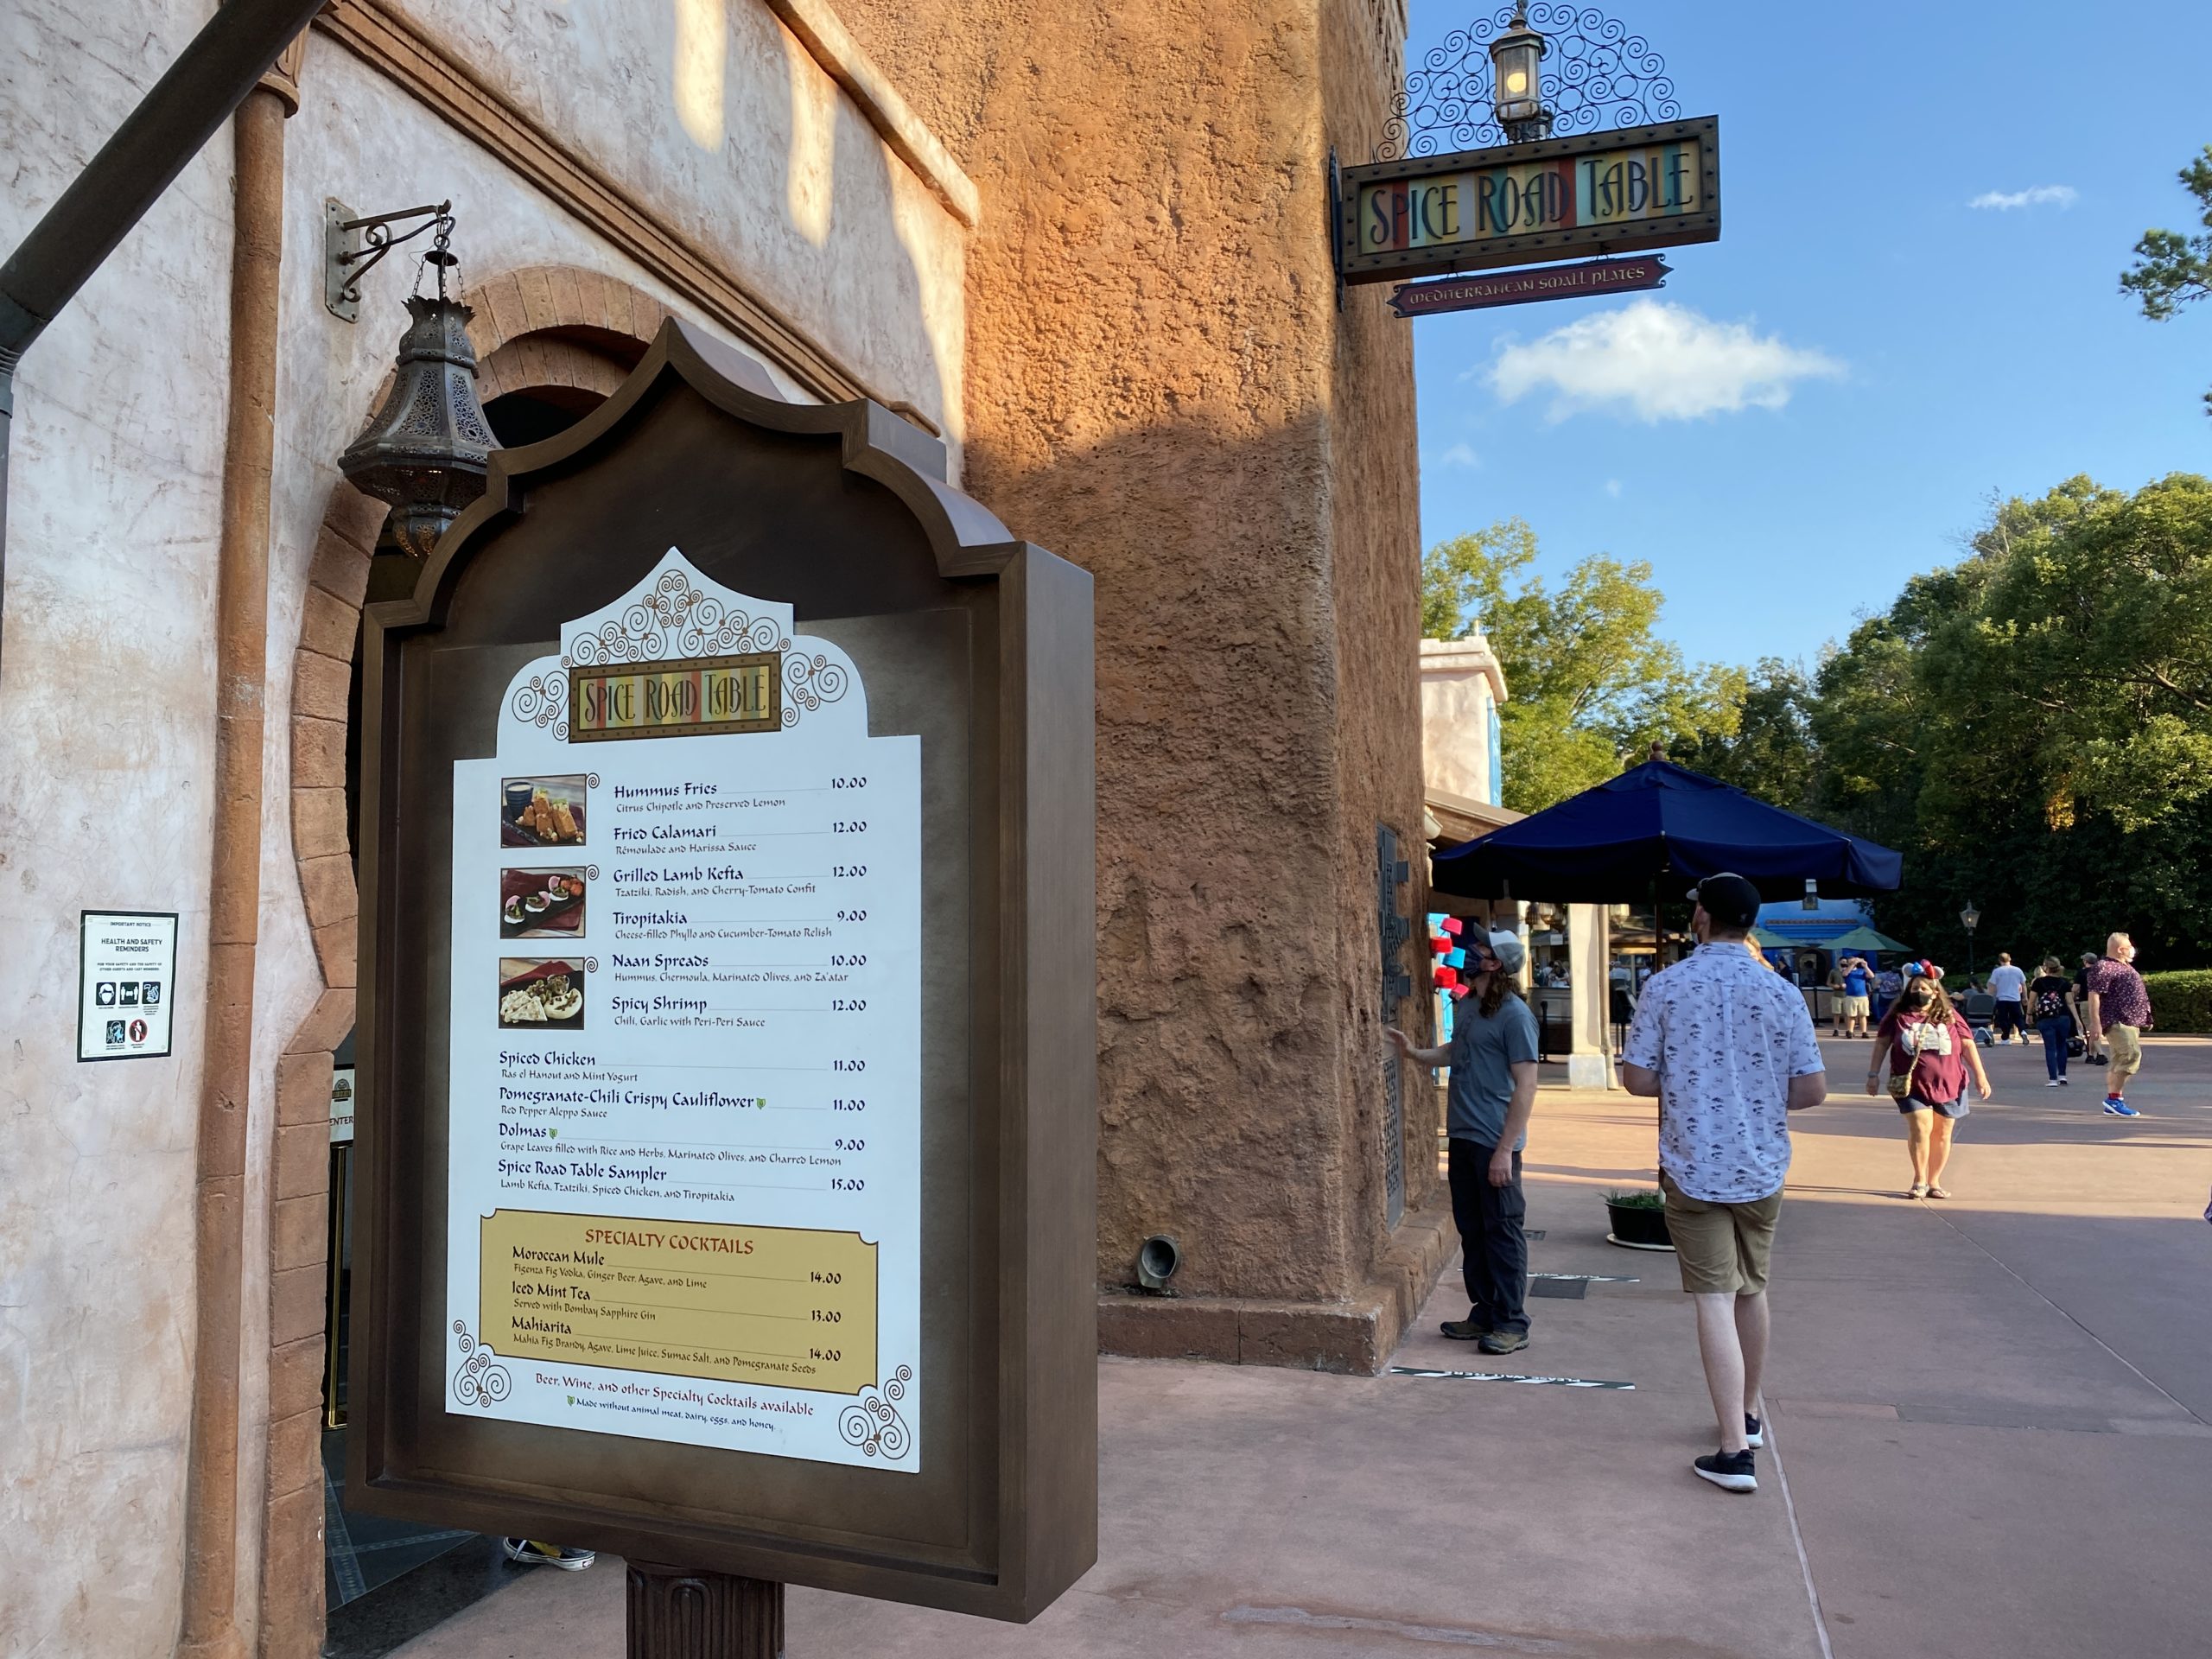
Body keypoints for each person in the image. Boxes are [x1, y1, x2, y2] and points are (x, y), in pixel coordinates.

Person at [1621, 874, 1827, 1496]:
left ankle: (1734, 1451)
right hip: (1762, 1164)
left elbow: (1637, 1080)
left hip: (1694, 1165)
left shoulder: (1666, 987)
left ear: (1702, 917)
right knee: (1751, 1287)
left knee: (1712, 1296)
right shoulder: (1780, 991)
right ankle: (1750, 1412)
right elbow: (1811, 1090)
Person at [1388, 931, 1540, 1356]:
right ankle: (1485, 1311)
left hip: (1495, 1142)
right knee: (1472, 1229)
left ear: (1495, 965)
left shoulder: (1516, 1016)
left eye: (1482, 951)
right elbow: (1459, 1051)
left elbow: (1527, 1085)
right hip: (1463, 1137)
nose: (1472, 953)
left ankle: (1512, 1322)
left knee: (1503, 1232)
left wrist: (1506, 1150)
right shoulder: (1471, 1006)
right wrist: (1415, 1054)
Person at [1869, 973, 1990, 1198]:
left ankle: (1934, 1181)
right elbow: (1882, 1044)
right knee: (1921, 1128)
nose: (1919, 992)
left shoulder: (1950, 1015)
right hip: (1911, 1084)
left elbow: (1967, 1045)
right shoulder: (1898, 1015)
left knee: (1943, 1133)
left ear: (1935, 993)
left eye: (1925, 988)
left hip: (1951, 1082)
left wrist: (1980, 1076)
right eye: (1915, 988)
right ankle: (1919, 1179)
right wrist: (1873, 1074)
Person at [2083, 933, 2153, 1116]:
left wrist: (2146, 1015)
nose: (2132, 949)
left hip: (2129, 1020)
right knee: (2130, 1055)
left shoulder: (2125, 967)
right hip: (2117, 1020)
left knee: (2119, 1060)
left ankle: (2113, 1099)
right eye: (2128, 946)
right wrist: (2095, 1023)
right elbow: (2094, 995)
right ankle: (2114, 1100)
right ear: (2120, 949)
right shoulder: (2104, 967)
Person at [2029, 957, 2075, 1087]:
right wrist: (2077, 1019)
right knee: (2061, 1046)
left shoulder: (2038, 982)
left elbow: (2032, 1001)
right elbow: (2070, 1002)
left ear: (2045, 967)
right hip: (2063, 1017)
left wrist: (2029, 1014)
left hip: (2046, 1018)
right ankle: (2063, 1076)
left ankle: (2053, 1079)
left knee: (2050, 1048)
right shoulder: (2064, 982)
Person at [1986, 952, 2028, 1044]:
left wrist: (1990, 996)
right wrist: (2025, 997)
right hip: (2015, 998)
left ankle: (2006, 1037)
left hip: (2002, 999)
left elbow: (1992, 986)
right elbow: (2023, 984)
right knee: (2018, 1017)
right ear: (2010, 959)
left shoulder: (1997, 971)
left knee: (2003, 1019)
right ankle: (2022, 1031)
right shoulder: (2018, 970)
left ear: (2000, 960)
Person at [2069, 952, 2102, 1065]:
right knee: (2096, 1028)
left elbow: (2075, 988)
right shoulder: (2100, 972)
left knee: (2089, 1029)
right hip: (2100, 1002)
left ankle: (2100, 1053)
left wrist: (2071, 999)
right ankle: (2091, 1054)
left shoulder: (2082, 973)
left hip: (2086, 1001)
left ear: (2085, 961)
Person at [1838, 956, 1872, 1039]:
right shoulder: (1846, 971)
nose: (1853, 962)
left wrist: (1866, 966)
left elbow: (1871, 976)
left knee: (1863, 1015)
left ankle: (1864, 1032)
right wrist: (1852, 964)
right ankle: (1850, 1031)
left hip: (1862, 996)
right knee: (1851, 1015)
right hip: (1851, 996)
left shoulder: (1861, 971)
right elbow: (1845, 974)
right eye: (1850, 961)